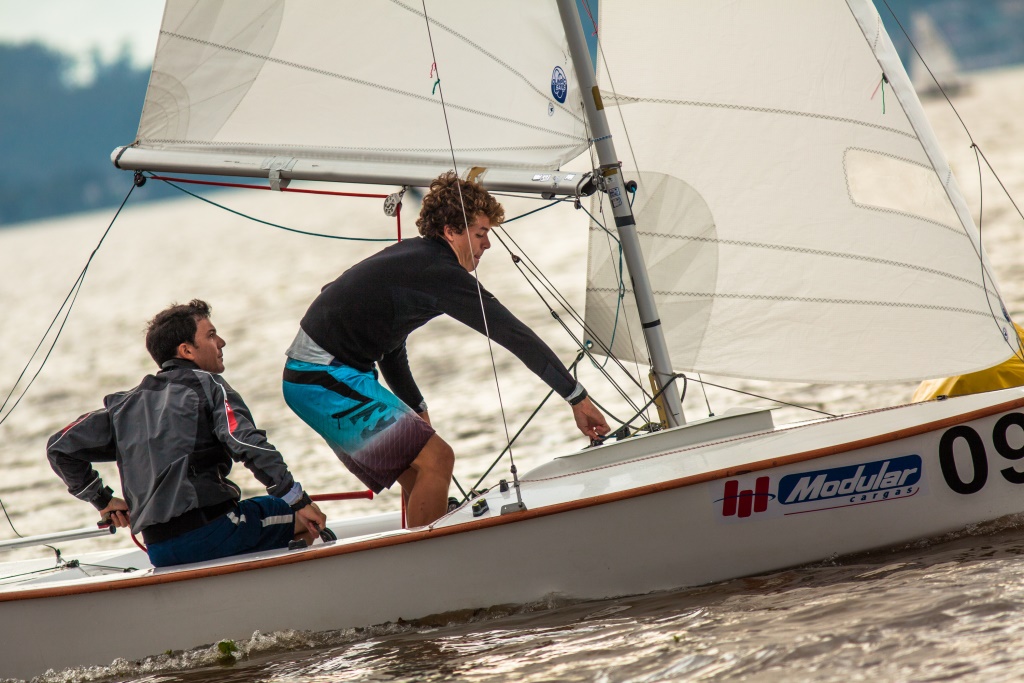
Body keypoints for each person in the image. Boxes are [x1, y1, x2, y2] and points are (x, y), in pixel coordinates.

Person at [283, 171, 609, 528]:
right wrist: (576, 397)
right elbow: (514, 334)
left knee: (419, 469)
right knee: (438, 460)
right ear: (452, 231)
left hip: (322, 375)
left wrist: (417, 407)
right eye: (481, 234)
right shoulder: (438, 271)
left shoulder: (418, 261)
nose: (488, 245)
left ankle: (420, 546)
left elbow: (390, 344)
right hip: (319, 377)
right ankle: (427, 555)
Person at [47, 299, 327, 568]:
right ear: (187, 350)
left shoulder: (122, 406)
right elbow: (245, 441)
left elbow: (58, 447)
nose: (221, 342)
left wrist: (102, 500)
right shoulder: (210, 385)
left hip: (159, 550)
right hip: (213, 530)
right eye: (211, 335)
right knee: (306, 520)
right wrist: (297, 499)